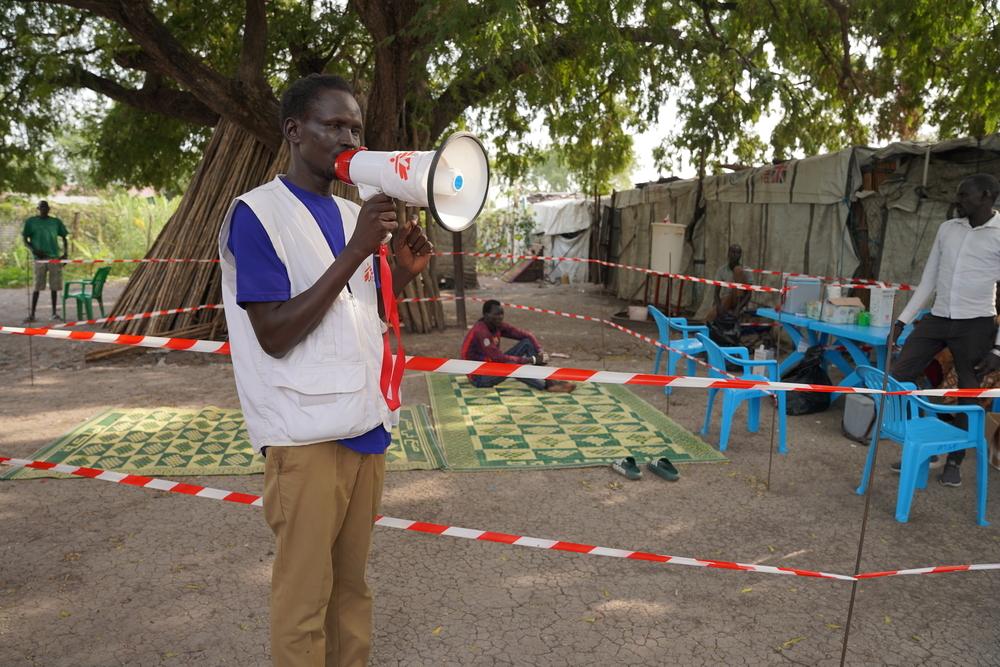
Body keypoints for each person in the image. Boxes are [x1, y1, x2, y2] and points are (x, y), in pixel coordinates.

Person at [218, 74, 432, 666]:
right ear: (293, 131)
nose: (348, 139)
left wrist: (401, 275)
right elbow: (277, 333)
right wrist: (358, 250)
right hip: (305, 440)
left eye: (355, 128)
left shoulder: (350, 213)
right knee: (304, 600)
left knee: (351, 590)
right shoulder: (257, 215)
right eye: (333, 125)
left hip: (365, 427)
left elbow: (354, 312)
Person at [889, 173, 1000, 487]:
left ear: (988, 196)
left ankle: (954, 459)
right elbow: (929, 281)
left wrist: (998, 349)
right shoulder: (947, 229)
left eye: (966, 195)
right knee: (900, 373)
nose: (958, 199)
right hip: (938, 317)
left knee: (968, 392)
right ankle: (926, 443)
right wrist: (902, 322)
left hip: (976, 322)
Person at [460, 299, 575, 392]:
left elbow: (526, 335)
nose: (500, 317)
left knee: (527, 343)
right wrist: (531, 359)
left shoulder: (497, 325)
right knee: (512, 365)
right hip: (479, 376)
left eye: (501, 314)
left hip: (491, 365)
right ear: (486, 315)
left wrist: (539, 351)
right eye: (496, 314)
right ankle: (545, 386)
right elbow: (498, 358)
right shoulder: (481, 331)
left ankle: (548, 380)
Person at [22, 200, 68, 322]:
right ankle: (32, 314)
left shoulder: (55, 222)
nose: (44, 210)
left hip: (54, 257)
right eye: (41, 208)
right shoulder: (31, 222)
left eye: (46, 208)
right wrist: (34, 250)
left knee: (55, 285)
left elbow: (64, 237)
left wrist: (65, 254)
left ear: (49, 209)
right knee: (37, 286)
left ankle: (54, 313)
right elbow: (25, 239)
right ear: (38, 209)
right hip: (39, 259)